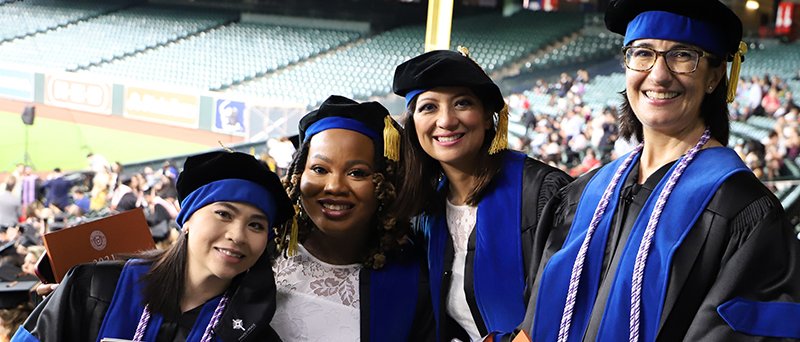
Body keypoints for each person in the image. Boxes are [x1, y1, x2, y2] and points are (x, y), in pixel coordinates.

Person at [517, 0, 800, 341]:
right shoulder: (585, 192)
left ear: (714, 76)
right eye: (642, 53)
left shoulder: (743, 212)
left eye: (683, 55)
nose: (659, 74)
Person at [13, 151, 293, 341]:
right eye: (224, 214)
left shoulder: (250, 333)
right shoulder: (95, 287)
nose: (238, 235)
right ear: (187, 220)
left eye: (256, 225)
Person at [392, 49, 572, 341]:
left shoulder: (543, 194)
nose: (446, 121)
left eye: (462, 103)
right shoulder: (426, 213)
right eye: (428, 107)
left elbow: (569, 306)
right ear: (413, 125)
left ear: (489, 118)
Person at [270, 95, 433, 340]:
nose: (334, 186)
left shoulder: (412, 279)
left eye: (357, 173)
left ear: (385, 184)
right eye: (319, 169)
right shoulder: (260, 255)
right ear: (298, 175)